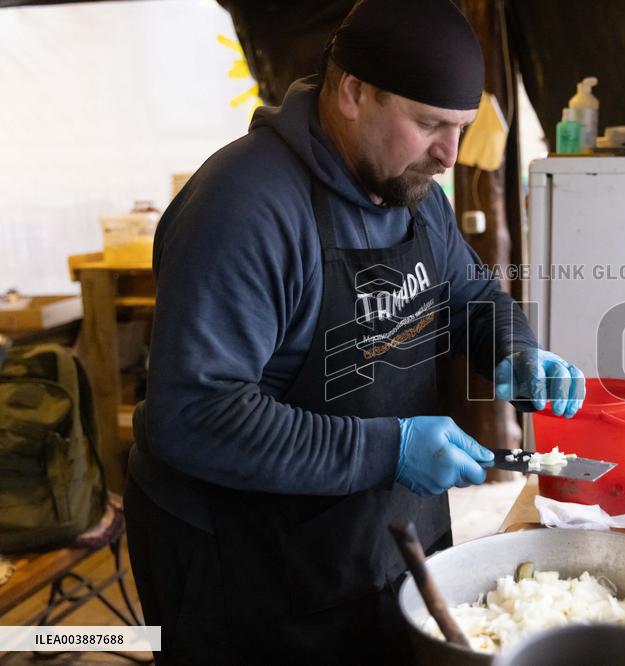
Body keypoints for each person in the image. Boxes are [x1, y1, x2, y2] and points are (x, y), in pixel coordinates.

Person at [123, 0, 585, 663]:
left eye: (460, 128)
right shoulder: (243, 209)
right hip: (245, 562)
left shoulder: (411, 190)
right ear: (352, 92)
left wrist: (513, 349)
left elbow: (471, 293)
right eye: (429, 124)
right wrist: (385, 450)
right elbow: (195, 415)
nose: (449, 156)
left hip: (371, 532)